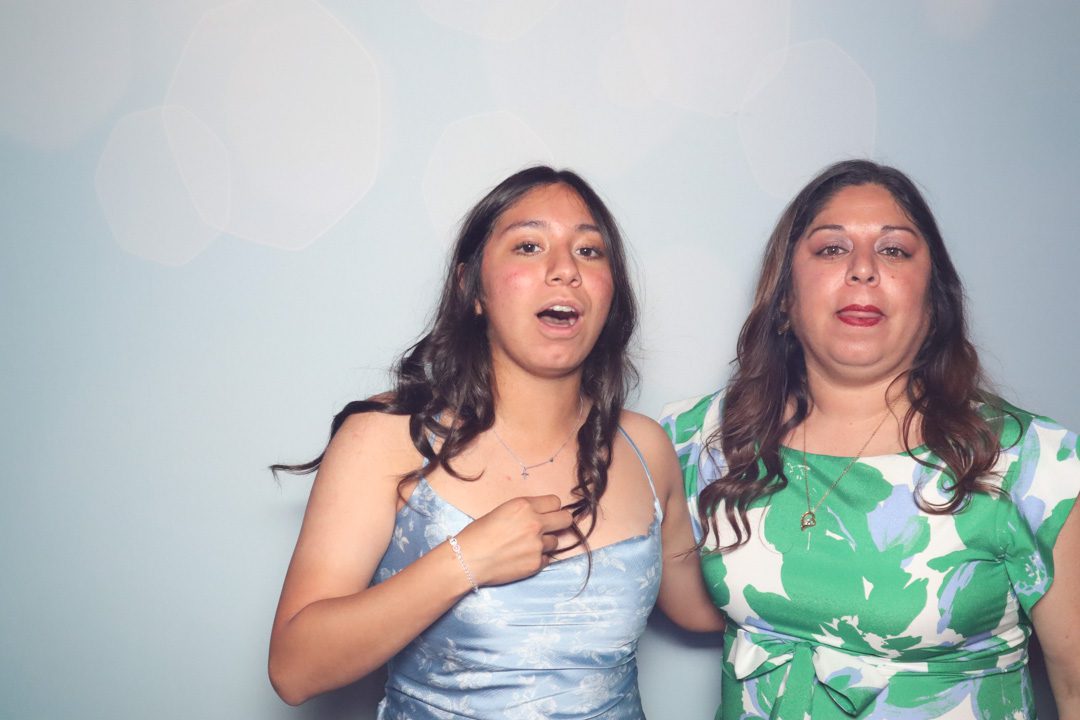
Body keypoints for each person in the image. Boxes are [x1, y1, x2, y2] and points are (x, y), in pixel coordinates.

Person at [269, 166, 724, 718]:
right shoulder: (387, 438)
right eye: (529, 246)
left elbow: (705, 606)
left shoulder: (644, 447)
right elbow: (295, 670)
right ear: (473, 288)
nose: (565, 270)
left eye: (589, 251)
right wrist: (466, 561)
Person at [661, 160, 1080, 719]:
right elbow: (692, 607)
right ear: (785, 296)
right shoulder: (700, 439)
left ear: (934, 302)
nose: (863, 269)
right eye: (832, 249)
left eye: (894, 251)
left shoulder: (1036, 464)